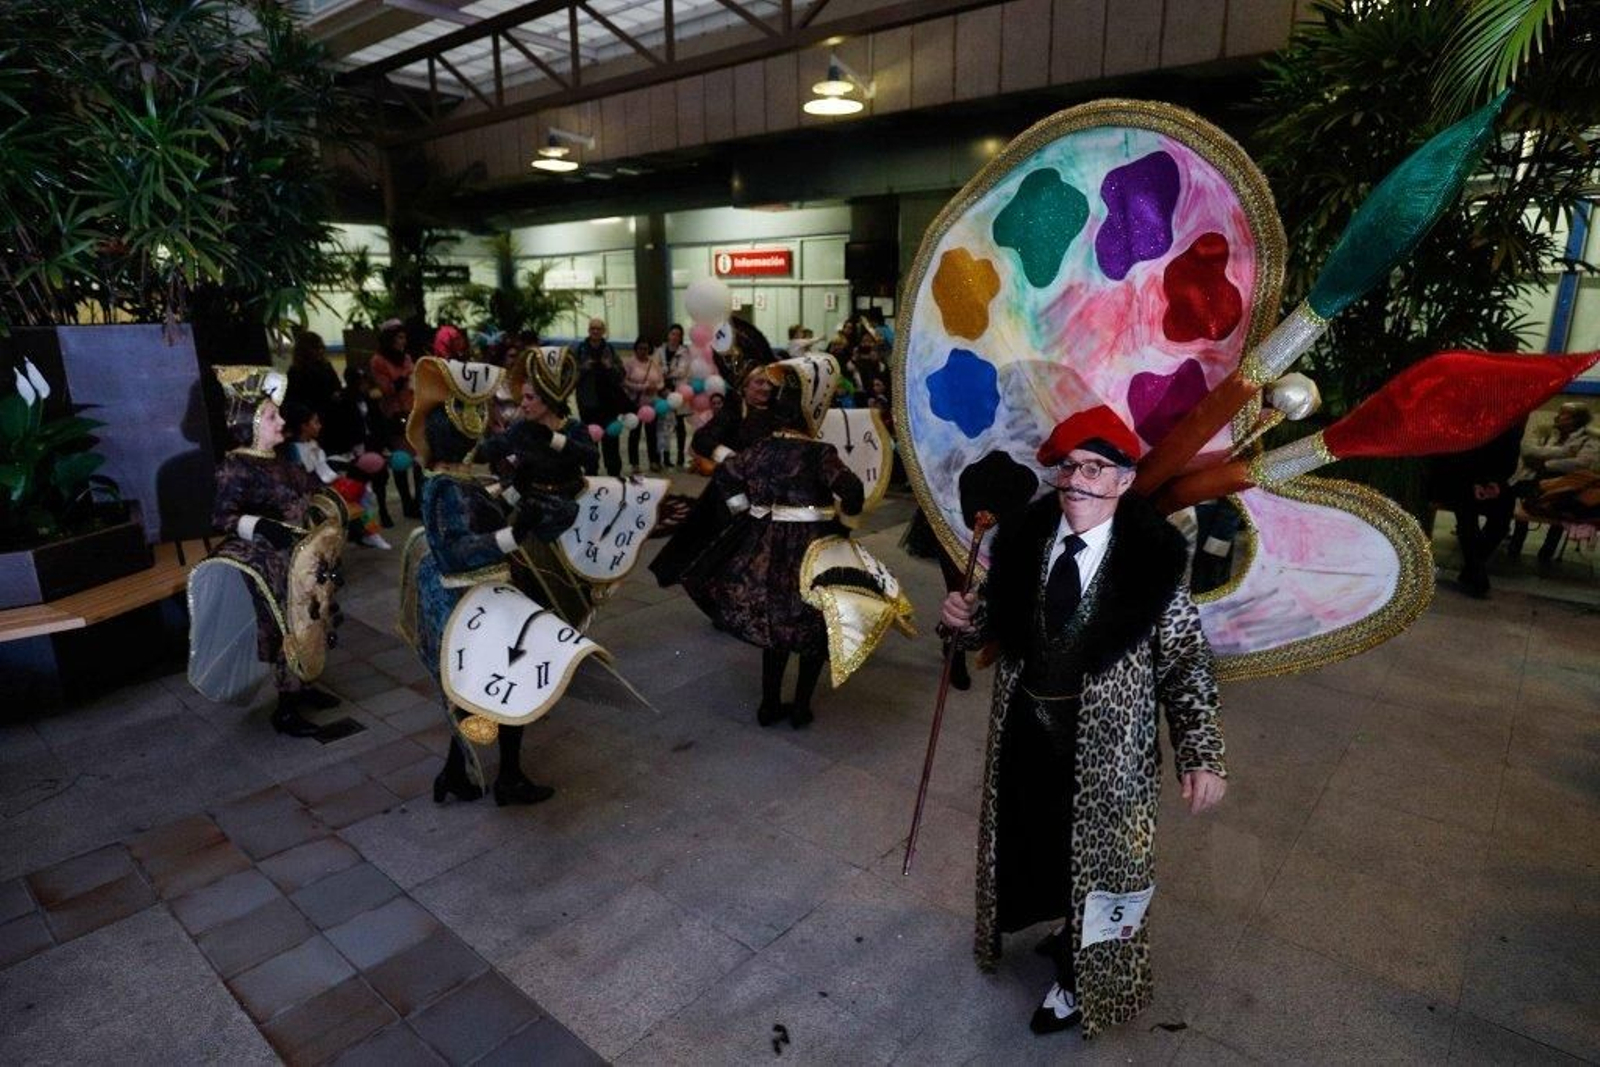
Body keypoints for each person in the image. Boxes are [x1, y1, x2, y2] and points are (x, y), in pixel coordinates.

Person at [938, 405, 1227, 1039]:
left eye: (1097, 468)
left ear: (1124, 480)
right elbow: (992, 629)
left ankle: (1080, 980)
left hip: (1109, 751)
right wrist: (961, 623)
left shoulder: (1154, 564)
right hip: (1025, 734)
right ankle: (1063, 925)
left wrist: (1201, 753)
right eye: (1069, 467)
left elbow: (1185, 662)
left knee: (1103, 864)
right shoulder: (1022, 543)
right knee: (1037, 840)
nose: (1078, 481)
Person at [404, 356, 582, 807]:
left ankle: (458, 773)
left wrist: (517, 496)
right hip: (470, 599)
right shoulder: (443, 486)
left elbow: (483, 508)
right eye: (474, 422)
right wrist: (512, 534)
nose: (484, 429)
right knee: (503, 684)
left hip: (483, 595)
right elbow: (457, 547)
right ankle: (503, 778)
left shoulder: (455, 480)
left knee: (480, 691)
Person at [676, 355, 868, 728]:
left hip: (765, 547)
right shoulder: (819, 453)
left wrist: (743, 509)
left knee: (776, 626)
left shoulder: (760, 449)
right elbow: (853, 489)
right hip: (813, 548)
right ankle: (800, 708)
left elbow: (727, 474)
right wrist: (845, 521)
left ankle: (768, 705)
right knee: (813, 625)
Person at [191, 368, 345, 738]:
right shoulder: (236, 465)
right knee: (285, 626)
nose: (281, 421)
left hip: (302, 557)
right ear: (251, 423)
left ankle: (305, 686)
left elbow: (309, 490)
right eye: (272, 416)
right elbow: (221, 516)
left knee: (314, 618)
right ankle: (287, 708)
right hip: (268, 561)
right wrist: (261, 527)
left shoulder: (281, 459)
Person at [1431, 421, 1523, 597]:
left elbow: (1509, 459)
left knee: (1501, 521)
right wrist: (1475, 482)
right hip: (1458, 478)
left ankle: (1472, 567)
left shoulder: (1509, 427)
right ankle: (1477, 573)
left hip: (1489, 480)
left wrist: (1495, 483)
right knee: (1467, 517)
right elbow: (1453, 457)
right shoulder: (1466, 423)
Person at [283, 402, 391, 550]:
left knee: (363, 493)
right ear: (304, 426)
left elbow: (322, 467)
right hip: (313, 493)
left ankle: (368, 532)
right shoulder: (293, 450)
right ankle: (366, 533)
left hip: (326, 485)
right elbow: (302, 476)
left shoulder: (313, 443)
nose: (319, 426)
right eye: (315, 422)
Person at [1508, 401, 1600, 564]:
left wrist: (1546, 463)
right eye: (1560, 412)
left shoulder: (1590, 439)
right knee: (1519, 502)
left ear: (1577, 419)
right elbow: (1527, 450)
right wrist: (1565, 453)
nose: (1559, 416)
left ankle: (1547, 551)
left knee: (1560, 508)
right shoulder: (1546, 430)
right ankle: (1515, 545)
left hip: (1566, 483)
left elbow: (1582, 462)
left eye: (1565, 414)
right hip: (1535, 478)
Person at [370, 319, 424, 518]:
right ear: (389, 339)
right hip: (394, 415)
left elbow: (415, 380)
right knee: (402, 461)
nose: (403, 341)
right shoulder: (378, 360)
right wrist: (401, 381)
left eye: (404, 337)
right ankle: (407, 503)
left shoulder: (407, 357)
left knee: (419, 460)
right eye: (399, 337)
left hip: (413, 410)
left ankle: (419, 501)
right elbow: (386, 389)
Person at [569, 317, 627, 476]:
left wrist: (610, 367)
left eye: (598, 329)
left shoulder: (610, 349)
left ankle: (614, 472)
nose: (595, 331)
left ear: (603, 331)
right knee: (589, 440)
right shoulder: (579, 349)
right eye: (592, 328)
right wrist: (583, 368)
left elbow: (622, 374)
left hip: (609, 403)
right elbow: (569, 376)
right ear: (588, 330)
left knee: (611, 439)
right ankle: (591, 472)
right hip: (588, 403)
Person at [622, 336, 665, 473]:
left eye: (646, 348)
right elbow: (624, 382)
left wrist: (656, 388)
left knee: (652, 434)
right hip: (634, 404)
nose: (643, 351)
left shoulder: (654, 364)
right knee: (634, 434)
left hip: (652, 405)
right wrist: (642, 387)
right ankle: (634, 464)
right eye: (640, 348)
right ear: (636, 349)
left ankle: (654, 461)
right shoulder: (629, 363)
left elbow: (661, 381)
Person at [285, 332, 340, 420]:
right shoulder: (296, 372)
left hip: (330, 414)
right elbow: (295, 401)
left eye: (322, 347)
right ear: (305, 351)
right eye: (316, 348)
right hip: (310, 418)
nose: (321, 351)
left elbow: (337, 387)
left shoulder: (326, 366)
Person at [659, 324, 692, 468]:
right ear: (668, 335)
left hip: (679, 392)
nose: (675, 337)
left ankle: (680, 456)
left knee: (680, 426)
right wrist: (663, 374)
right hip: (663, 391)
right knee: (665, 425)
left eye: (678, 334)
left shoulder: (684, 352)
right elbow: (655, 367)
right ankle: (666, 457)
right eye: (673, 333)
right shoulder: (659, 351)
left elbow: (682, 371)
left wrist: (666, 372)